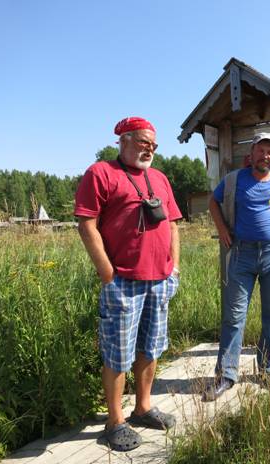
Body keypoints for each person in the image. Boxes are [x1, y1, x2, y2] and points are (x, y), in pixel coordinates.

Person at [74, 116, 182, 451]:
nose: (150, 149)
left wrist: (173, 269)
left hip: (160, 280)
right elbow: (86, 225)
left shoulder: (160, 179)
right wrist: (108, 274)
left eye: (153, 144)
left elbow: (174, 225)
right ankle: (114, 421)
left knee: (150, 347)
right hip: (123, 281)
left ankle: (143, 407)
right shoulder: (101, 173)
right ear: (122, 140)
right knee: (118, 355)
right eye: (143, 142)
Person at [203, 132, 270, 401]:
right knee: (234, 316)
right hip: (241, 253)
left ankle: (268, 370)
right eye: (261, 151)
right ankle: (226, 375)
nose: (265, 156)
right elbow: (213, 202)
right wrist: (222, 229)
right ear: (251, 155)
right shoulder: (233, 180)